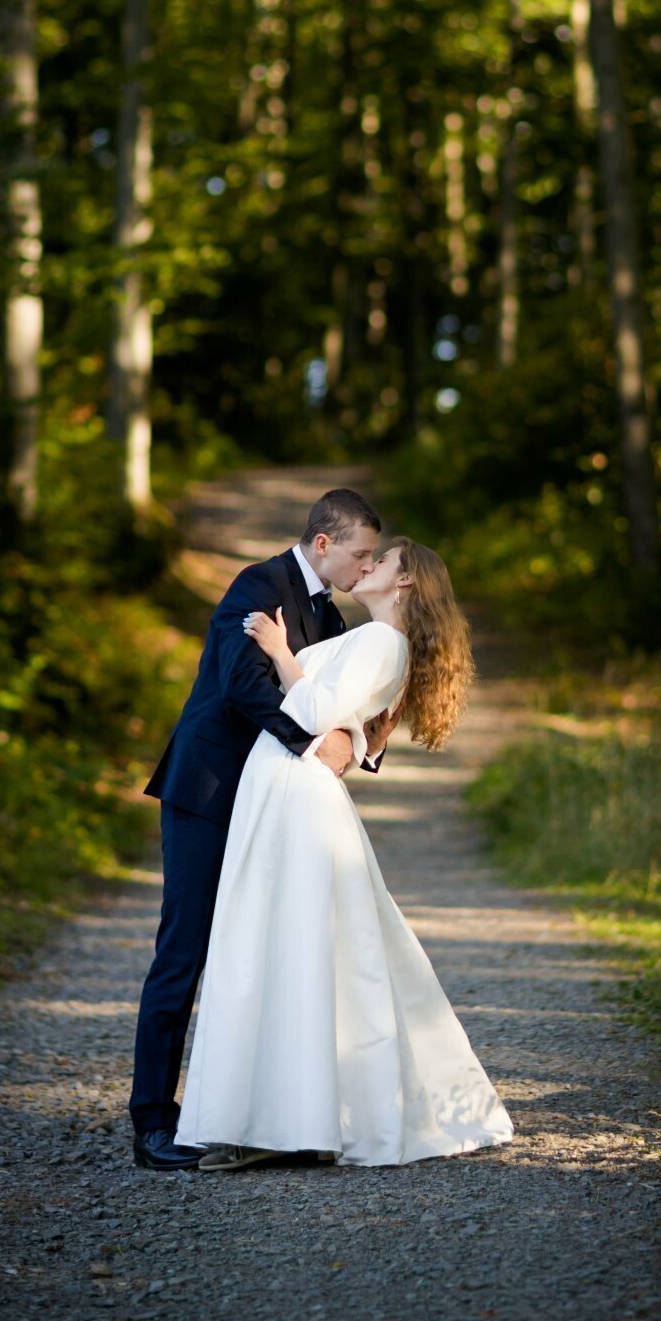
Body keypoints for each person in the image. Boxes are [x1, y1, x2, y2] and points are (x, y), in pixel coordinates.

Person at [174, 537, 513, 1170]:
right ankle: (285, 1114)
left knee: (283, 947)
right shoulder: (376, 639)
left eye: (379, 562)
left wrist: (279, 655)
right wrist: (350, 733)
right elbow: (346, 723)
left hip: (293, 789)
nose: (367, 567)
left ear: (405, 582)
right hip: (285, 785)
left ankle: (279, 1120)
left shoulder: (384, 641)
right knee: (299, 950)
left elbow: (313, 712)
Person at [130, 487, 392, 1171]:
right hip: (210, 793)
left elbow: (329, 700)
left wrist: (364, 739)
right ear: (324, 543)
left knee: (272, 955)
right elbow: (241, 687)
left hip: (273, 806)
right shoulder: (257, 585)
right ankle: (154, 1122)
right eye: (360, 555)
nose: (366, 569)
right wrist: (314, 745)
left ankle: (265, 1117)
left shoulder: (329, 615)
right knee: (183, 951)